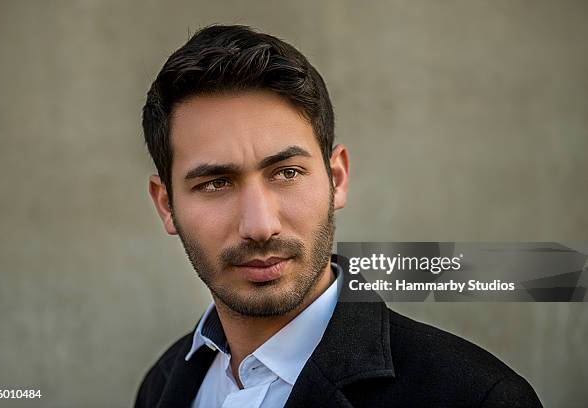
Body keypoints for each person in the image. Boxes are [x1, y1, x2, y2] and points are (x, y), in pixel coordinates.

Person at [135, 24, 542, 408]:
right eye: (216, 183)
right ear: (166, 205)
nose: (260, 226)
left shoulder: (474, 397)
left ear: (337, 178)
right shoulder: (163, 385)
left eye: (287, 173)